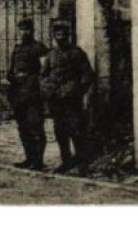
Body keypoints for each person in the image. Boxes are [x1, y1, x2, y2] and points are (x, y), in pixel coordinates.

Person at [40, 19, 95, 172]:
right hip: (56, 99)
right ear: (54, 36)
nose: (60, 37)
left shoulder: (77, 53)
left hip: (72, 100)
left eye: (63, 34)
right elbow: (43, 75)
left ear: (68, 35)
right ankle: (66, 160)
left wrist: (77, 90)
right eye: (57, 34)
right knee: (60, 131)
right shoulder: (51, 55)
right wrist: (48, 87)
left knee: (77, 130)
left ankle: (82, 162)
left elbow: (87, 74)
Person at [7, 18, 48, 169]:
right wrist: (13, 77)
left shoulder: (39, 48)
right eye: (22, 30)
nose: (24, 33)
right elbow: (11, 70)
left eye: (27, 30)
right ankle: (29, 157)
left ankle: (38, 160)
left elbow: (45, 71)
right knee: (23, 127)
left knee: (35, 126)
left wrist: (32, 79)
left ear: (32, 31)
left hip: (33, 94)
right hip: (18, 94)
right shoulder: (17, 48)